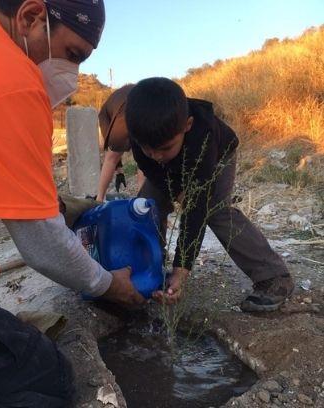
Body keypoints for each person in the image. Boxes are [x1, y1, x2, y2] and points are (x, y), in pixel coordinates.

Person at [0, 0, 144, 405]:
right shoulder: (13, 82)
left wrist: (61, 206)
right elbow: (40, 242)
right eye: (72, 55)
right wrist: (110, 286)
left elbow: (6, 183)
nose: (71, 75)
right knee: (43, 372)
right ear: (31, 17)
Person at [123, 77, 294, 311]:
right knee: (145, 207)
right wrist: (175, 189)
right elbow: (152, 166)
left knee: (215, 211)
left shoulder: (204, 134)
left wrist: (181, 270)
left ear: (188, 125)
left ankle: (274, 276)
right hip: (170, 170)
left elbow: (196, 211)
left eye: (164, 148)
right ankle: (150, 269)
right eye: (147, 149)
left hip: (217, 156)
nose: (156, 155)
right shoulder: (143, 138)